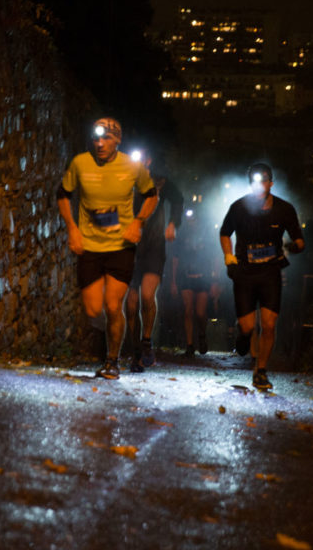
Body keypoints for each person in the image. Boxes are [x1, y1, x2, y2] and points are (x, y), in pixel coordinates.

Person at [57, 117, 158, 380]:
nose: (100, 144)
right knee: (93, 310)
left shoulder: (132, 166)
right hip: (89, 246)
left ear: (117, 140)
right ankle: (112, 337)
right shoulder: (80, 163)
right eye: (96, 139)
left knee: (114, 305)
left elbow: (151, 194)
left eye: (106, 139)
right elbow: (63, 194)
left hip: (120, 247)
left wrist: (138, 221)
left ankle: (112, 361)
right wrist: (72, 228)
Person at [219, 163, 304, 390]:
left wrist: (294, 246)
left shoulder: (284, 209)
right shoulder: (239, 207)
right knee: (248, 327)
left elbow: (299, 239)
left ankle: (262, 371)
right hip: (245, 272)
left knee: (268, 324)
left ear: (271, 183)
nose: (259, 186)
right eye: (254, 182)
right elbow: (225, 232)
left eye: (263, 181)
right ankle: (243, 336)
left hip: (270, 272)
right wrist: (228, 255)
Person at [125, 152, 184, 372]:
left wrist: (172, 224)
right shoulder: (124, 181)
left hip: (154, 247)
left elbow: (178, 200)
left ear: (149, 161)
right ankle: (135, 351)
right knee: (131, 305)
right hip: (129, 248)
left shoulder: (159, 182)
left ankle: (147, 340)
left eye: (142, 158)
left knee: (147, 296)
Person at [171, 208, 221, 357]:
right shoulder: (182, 236)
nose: (191, 222)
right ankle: (190, 344)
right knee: (188, 310)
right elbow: (175, 259)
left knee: (200, 312)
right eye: (189, 219)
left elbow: (215, 258)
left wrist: (215, 280)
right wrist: (173, 281)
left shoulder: (207, 236)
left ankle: (201, 335)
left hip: (203, 277)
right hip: (186, 277)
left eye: (194, 219)